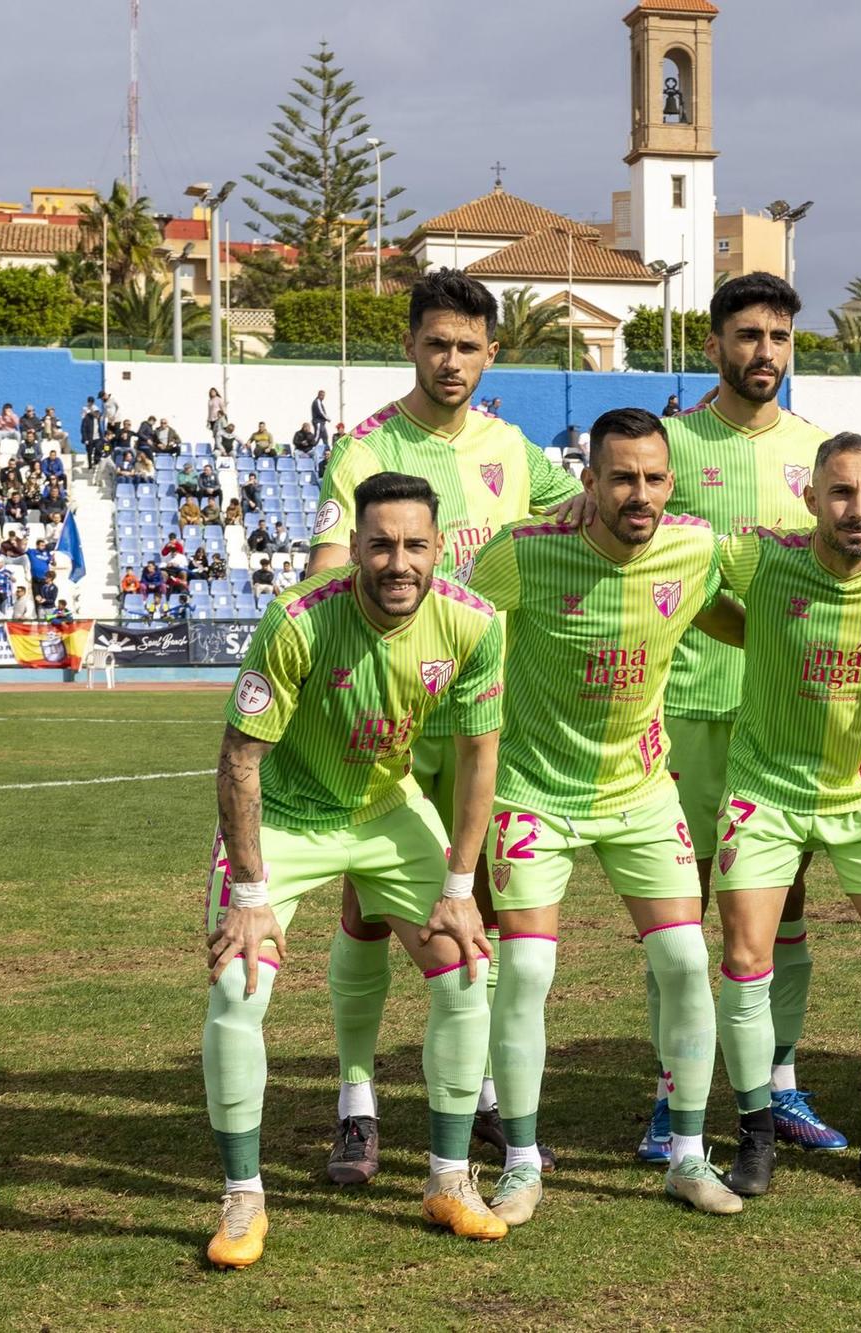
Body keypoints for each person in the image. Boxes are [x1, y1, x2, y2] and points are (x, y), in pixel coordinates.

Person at [307, 270, 584, 1181]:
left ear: (492, 352)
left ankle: (483, 1092)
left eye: (469, 346)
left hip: (480, 720)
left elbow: (572, 511)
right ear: (411, 345)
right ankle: (356, 1100)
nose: (452, 360)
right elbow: (324, 569)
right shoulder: (364, 449)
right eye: (437, 343)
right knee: (367, 905)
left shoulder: (512, 445)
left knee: (482, 907)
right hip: (380, 723)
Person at [199, 471, 510, 1268]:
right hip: (286, 818)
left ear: (440, 547)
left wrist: (458, 887)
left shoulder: (475, 624)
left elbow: (480, 759)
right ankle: (243, 1198)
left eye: (414, 544)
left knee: (469, 970)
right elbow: (239, 757)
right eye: (380, 544)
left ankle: (448, 1179)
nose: (397, 561)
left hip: (385, 812)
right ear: (357, 548)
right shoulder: (298, 621)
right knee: (239, 987)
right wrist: (250, 894)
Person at [464, 407, 749, 1222]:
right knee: (523, 972)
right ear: (587, 481)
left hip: (642, 793)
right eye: (621, 476)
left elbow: (745, 607)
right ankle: (520, 1164)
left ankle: (688, 1155)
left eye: (654, 478)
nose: (640, 493)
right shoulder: (525, 552)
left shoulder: (696, 549)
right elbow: (447, 624)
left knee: (689, 964)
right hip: (533, 793)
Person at [615, 272, 834, 1160]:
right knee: (684, 912)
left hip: (790, 724)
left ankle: (778, 1081)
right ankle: (675, 1099)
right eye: (747, 335)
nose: (765, 354)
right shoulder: (667, 445)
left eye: (779, 337)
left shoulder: (820, 451)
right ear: (714, 345)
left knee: (784, 909)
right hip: (688, 713)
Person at [709, 433, 861, 1199]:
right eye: (840, 492)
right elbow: (681, 572)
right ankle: (754, 1134)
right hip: (765, 790)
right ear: (811, 498)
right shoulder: (758, 556)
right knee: (748, 957)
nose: (857, 508)